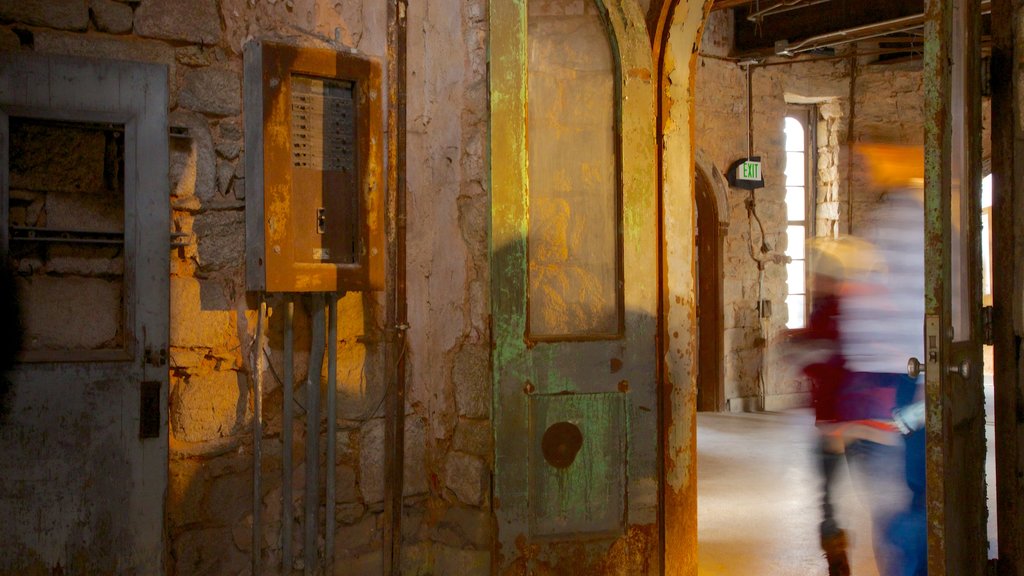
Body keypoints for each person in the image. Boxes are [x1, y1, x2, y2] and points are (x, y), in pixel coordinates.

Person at [838, 170, 927, 576]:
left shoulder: (876, 235)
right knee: (912, 500)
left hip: (882, 389)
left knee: (893, 505)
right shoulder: (925, 229)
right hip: (905, 387)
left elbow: (858, 319)